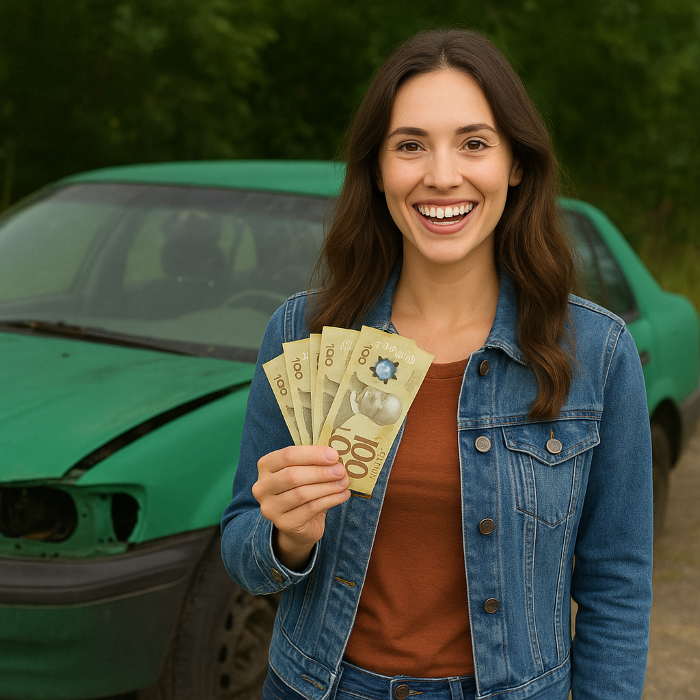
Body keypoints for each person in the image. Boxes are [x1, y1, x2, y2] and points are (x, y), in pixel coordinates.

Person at [221, 28, 653, 700]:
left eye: (474, 143)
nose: (442, 174)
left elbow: (617, 585)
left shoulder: (596, 353)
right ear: (377, 168)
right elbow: (242, 551)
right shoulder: (304, 334)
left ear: (515, 163)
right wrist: (286, 540)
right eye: (410, 145)